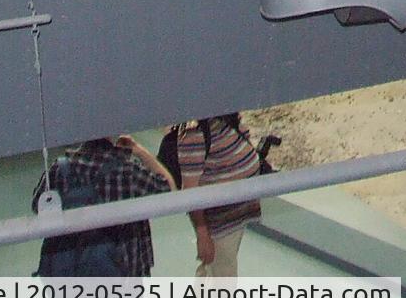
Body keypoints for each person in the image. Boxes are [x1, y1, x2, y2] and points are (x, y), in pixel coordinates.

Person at [31, 135, 173, 277]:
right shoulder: (128, 171)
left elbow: (38, 205)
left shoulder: (59, 170)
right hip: (123, 275)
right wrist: (139, 151)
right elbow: (169, 189)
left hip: (70, 273)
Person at [176, 113, 263, 278]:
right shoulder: (193, 134)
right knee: (223, 275)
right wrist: (203, 235)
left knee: (215, 271)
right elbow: (190, 192)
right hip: (221, 222)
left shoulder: (224, 118)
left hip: (235, 215)